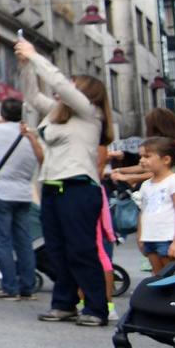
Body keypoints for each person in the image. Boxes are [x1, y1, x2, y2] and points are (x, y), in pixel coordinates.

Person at [18, 36, 113, 325]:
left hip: (78, 188)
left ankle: (96, 308)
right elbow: (33, 96)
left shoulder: (89, 113)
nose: (66, 89)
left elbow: (58, 84)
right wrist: (25, 66)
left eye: (74, 86)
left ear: (86, 93)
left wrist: (35, 56)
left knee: (81, 248)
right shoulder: (57, 115)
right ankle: (64, 303)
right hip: (52, 187)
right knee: (57, 249)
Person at [0, 97, 42, 300]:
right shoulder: (30, 134)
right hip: (23, 194)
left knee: (1, 241)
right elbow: (40, 157)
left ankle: (10, 287)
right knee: (23, 241)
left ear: (2, 113)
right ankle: (27, 287)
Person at [134, 136, 175, 276]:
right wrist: (140, 236)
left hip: (168, 238)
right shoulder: (146, 184)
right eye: (141, 156)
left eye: (147, 156)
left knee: (171, 274)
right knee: (157, 274)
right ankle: (163, 298)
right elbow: (143, 212)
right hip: (150, 237)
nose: (142, 160)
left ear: (166, 159)